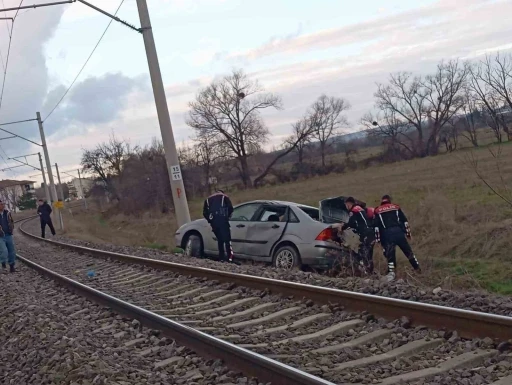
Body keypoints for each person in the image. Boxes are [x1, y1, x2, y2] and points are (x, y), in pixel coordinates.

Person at [374, 194, 420, 281]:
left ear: (382, 201)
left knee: (390, 255)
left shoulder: (377, 210)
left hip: (387, 234)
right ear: (389, 200)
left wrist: (378, 240)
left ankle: (392, 272)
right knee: (408, 252)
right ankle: (417, 268)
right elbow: (405, 221)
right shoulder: (396, 207)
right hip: (399, 232)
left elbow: (376, 228)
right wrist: (408, 234)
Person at [340, 197, 375, 274]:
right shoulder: (360, 209)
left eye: (346, 205)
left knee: (363, 252)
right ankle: (370, 271)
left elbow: (351, 223)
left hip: (365, 234)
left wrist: (342, 227)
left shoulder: (353, 210)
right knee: (369, 254)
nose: (346, 206)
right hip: (371, 233)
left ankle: (367, 271)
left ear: (349, 204)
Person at [203, 190, 234, 262]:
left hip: (214, 223)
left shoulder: (207, 200)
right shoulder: (224, 197)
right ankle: (230, 258)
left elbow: (204, 212)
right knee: (227, 240)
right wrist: (227, 217)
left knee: (220, 240)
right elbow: (230, 208)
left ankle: (221, 258)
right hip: (223, 221)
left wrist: (210, 220)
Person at [0, 200, 16, 273]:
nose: (3, 205)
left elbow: (11, 221)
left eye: (3, 204)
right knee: (4, 251)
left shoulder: (7, 213)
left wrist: (12, 228)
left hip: (8, 234)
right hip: (0, 236)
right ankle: (3, 262)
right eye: (1, 204)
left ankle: (12, 266)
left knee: (11, 251)